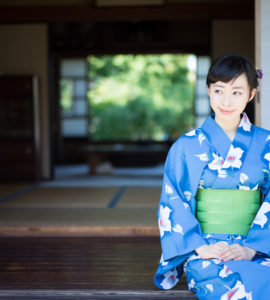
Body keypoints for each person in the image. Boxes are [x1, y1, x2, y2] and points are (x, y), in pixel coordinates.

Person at [153, 53, 270, 299]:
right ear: (208, 90)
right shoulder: (186, 146)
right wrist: (201, 247)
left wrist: (251, 249)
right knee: (233, 285)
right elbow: (173, 201)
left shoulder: (265, 143)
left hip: (256, 248)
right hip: (205, 250)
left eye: (237, 92)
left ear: (251, 94)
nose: (226, 100)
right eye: (219, 90)